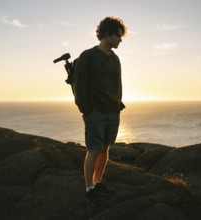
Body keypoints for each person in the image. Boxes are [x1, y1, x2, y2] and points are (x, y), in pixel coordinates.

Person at [73, 16, 127, 205]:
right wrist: (86, 110)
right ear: (107, 34)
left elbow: (118, 84)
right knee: (93, 150)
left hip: (112, 111)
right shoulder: (87, 56)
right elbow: (79, 86)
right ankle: (89, 189)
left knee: (105, 149)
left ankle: (97, 182)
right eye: (118, 36)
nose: (120, 40)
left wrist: (118, 105)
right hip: (95, 112)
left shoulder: (116, 59)